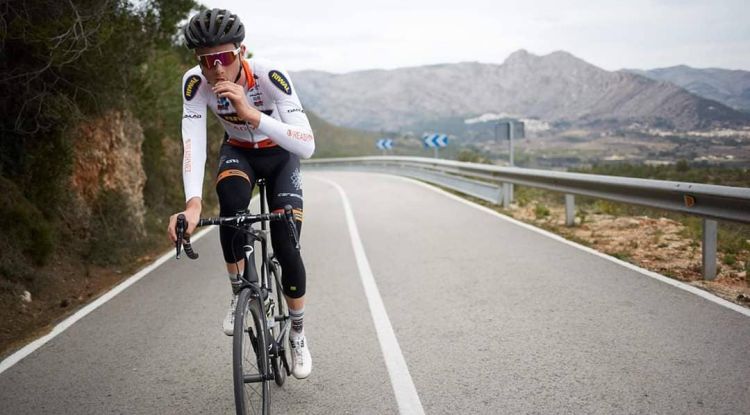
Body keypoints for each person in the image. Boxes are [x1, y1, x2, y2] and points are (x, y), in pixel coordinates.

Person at [167, 8, 314, 379]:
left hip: (280, 157)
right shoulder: (195, 84)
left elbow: (306, 144)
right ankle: (239, 290)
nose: (215, 69)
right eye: (205, 61)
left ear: (241, 53)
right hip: (238, 153)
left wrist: (252, 113)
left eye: (224, 58)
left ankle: (297, 331)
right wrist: (193, 203)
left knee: (286, 241)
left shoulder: (269, 77)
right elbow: (193, 144)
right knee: (231, 208)